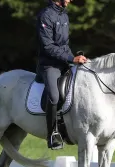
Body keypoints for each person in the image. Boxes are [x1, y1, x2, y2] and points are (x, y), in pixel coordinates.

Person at [36, 0, 87, 150]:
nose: (70, 0)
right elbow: (48, 46)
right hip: (49, 65)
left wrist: (76, 59)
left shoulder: (64, 15)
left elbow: (64, 45)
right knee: (54, 96)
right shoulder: (45, 16)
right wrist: (71, 59)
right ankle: (52, 134)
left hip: (64, 62)